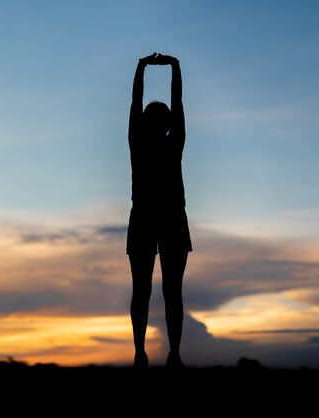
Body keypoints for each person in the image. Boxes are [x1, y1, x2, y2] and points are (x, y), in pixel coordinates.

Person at [127, 53, 192, 368]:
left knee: (145, 290)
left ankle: (143, 353)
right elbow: (176, 103)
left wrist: (142, 67)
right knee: (169, 291)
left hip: (149, 219)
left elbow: (136, 101)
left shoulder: (138, 142)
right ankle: (171, 354)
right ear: (166, 124)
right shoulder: (172, 140)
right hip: (165, 219)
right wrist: (174, 67)